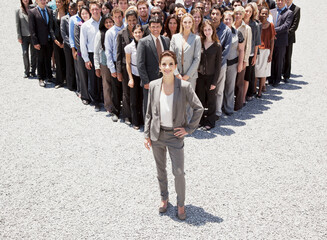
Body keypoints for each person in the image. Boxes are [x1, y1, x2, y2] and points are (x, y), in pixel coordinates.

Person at [144, 50, 203, 221]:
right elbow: (149, 112)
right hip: (157, 134)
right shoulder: (154, 85)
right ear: (160, 67)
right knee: (160, 170)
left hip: (175, 136)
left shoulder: (184, 86)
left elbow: (198, 108)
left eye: (171, 64)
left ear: (175, 66)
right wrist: (147, 134)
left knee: (178, 172)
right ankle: (164, 198)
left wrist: (189, 129)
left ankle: (181, 203)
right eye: (164, 64)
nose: (167, 67)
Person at [137, 17, 170, 118]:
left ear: (161, 27)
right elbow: (140, 63)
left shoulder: (166, 40)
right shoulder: (143, 42)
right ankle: (148, 128)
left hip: (165, 79)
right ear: (149, 28)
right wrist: (145, 81)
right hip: (150, 81)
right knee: (149, 105)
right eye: (153, 27)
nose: (156, 29)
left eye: (158, 26)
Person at [196, 20, 222, 130]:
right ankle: (200, 120)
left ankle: (210, 121)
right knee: (200, 99)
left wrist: (214, 82)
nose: (207, 32)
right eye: (205, 30)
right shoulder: (200, 43)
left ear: (213, 30)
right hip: (201, 76)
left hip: (211, 76)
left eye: (209, 29)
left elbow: (218, 66)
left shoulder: (217, 46)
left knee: (211, 100)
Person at [116, 10, 138, 125]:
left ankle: (137, 115)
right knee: (126, 92)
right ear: (126, 20)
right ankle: (127, 115)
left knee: (136, 92)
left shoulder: (140, 32)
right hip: (126, 67)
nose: (132, 22)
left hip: (137, 67)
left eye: (134, 20)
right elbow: (119, 54)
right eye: (129, 20)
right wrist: (118, 71)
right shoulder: (121, 33)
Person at [210, 5, 232, 120]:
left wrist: (216, 64)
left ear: (221, 16)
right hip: (207, 65)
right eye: (213, 14)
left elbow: (226, 51)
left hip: (220, 65)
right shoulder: (207, 27)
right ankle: (208, 111)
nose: (214, 16)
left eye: (217, 14)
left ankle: (217, 112)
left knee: (218, 89)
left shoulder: (226, 31)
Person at [80, 1, 103, 112]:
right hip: (91, 53)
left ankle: (103, 98)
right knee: (93, 79)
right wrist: (86, 59)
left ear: (100, 9)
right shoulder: (86, 25)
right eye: (92, 9)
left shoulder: (105, 22)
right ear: (90, 11)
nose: (95, 11)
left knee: (103, 78)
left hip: (103, 53)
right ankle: (96, 101)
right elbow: (83, 43)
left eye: (96, 9)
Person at [170, 13, 201, 91]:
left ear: (192, 24)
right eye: (185, 22)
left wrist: (188, 75)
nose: (187, 24)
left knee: (188, 100)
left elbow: (197, 59)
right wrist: (176, 74)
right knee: (177, 99)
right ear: (181, 23)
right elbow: (171, 57)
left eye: (189, 22)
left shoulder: (196, 38)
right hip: (176, 74)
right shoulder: (175, 37)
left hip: (190, 76)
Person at [29, 0, 55, 87]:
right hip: (39, 41)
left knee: (48, 58)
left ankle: (49, 76)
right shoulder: (32, 12)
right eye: (41, 0)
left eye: (44, 0)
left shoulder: (49, 11)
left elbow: (50, 26)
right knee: (40, 59)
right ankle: (41, 78)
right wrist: (35, 42)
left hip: (48, 40)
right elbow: (32, 29)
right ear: (37, 1)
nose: (43, 1)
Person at [105, 7, 125, 121]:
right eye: (115, 17)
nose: (118, 19)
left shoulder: (127, 29)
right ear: (112, 18)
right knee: (116, 89)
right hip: (114, 62)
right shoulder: (110, 33)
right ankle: (116, 111)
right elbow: (108, 51)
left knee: (126, 89)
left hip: (125, 62)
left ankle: (126, 111)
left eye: (119, 16)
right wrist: (112, 69)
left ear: (122, 16)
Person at [223, 10, 245, 115]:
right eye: (226, 19)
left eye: (229, 19)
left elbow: (241, 50)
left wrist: (240, 63)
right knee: (220, 88)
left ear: (232, 20)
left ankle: (229, 108)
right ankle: (220, 108)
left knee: (230, 87)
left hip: (233, 64)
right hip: (221, 64)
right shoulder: (219, 32)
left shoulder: (238, 33)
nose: (227, 21)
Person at [125, 24, 144, 130]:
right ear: (132, 34)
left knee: (142, 98)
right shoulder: (129, 47)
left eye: (139, 32)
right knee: (134, 99)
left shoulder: (145, 44)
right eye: (135, 32)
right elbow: (127, 63)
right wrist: (130, 78)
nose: (138, 34)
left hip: (143, 74)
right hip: (134, 74)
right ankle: (135, 121)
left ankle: (142, 119)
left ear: (142, 33)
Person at [94, 14, 114, 114]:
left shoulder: (116, 31)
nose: (109, 24)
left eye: (110, 22)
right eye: (106, 22)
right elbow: (96, 51)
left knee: (115, 84)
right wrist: (97, 66)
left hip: (115, 60)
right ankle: (108, 105)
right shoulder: (100, 34)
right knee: (106, 84)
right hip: (104, 62)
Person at [270, 0, 293, 87]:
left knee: (279, 61)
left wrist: (272, 31)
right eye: (278, 0)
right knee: (271, 59)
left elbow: (286, 26)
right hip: (270, 40)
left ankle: (277, 79)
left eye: (281, 0)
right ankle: (270, 78)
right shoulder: (271, 11)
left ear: (285, 2)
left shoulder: (289, 13)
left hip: (281, 40)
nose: (279, 2)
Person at [233, 6, 251, 110]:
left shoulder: (247, 28)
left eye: (240, 13)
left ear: (243, 15)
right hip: (231, 58)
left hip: (241, 58)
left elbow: (248, 46)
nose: (238, 16)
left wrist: (244, 61)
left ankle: (238, 104)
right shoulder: (231, 25)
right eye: (236, 13)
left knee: (239, 83)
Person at [255, 6, 276, 98]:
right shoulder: (256, 24)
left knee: (263, 72)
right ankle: (253, 90)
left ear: (268, 15)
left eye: (265, 13)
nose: (263, 15)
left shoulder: (270, 25)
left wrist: (271, 54)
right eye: (262, 13)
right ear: (259, 13)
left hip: (265, 50)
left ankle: (260, 91)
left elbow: (272, 40)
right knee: (255, 71)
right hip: (257, 49)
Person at [243, 3, 261, 102]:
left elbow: (257, 42)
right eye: (246, 11)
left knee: (249, 74)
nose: (248, 13)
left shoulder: (255, 25)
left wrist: (255, 56)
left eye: (250, 11)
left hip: (250, 54)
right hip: (240, 53)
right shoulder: (239, 22)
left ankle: (249, 94)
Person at [74, 6, 91, 105]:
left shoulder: (93, 24)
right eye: (82, 14)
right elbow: (77, 41)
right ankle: (85, 96)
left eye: (86, 13)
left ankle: (93, 95)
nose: (84, 15)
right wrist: (85, 53)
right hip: (82, 54)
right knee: (83, 75)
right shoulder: (78, 25)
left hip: (92, 53)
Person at [16, 0, 37, 78]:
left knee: (34, 53)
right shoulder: (18, 10)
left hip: (33, 35)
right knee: (25, 53)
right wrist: (19, 36)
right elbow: (17, 24)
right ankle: (26, 70)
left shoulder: (33, 8)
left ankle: (33, 70)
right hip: (24, 36)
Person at [61, 2, 78, 92]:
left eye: (74, 8)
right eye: (70, 8)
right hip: (68, 46)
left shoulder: (78, 18)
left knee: (76, 66)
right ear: (68, 9)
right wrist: (71, 44)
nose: (72, 10)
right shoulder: (64, 19)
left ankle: (76, 83)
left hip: (77, 46)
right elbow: (64, 34)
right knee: (69, 65)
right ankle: (70, 84)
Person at [283, 0, 300, 82]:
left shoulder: (296, 9)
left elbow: (295, 25)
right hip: (280, 36)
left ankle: (286, 75)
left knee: (287, 56)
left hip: (289, 36)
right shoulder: (282, 7)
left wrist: (285, 33)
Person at [52, 0, 67, 89]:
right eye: (56, 2)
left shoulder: (67, 12)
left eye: (59, 2)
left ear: (63, 2)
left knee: (66, 60)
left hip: (66, 40)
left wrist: (65, 41)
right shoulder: (53, 13)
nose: (58, 4)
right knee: (58, 61)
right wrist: (55, 40)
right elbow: (51, 28)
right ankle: (59, 81)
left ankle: (67, 79)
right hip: (57, 40)